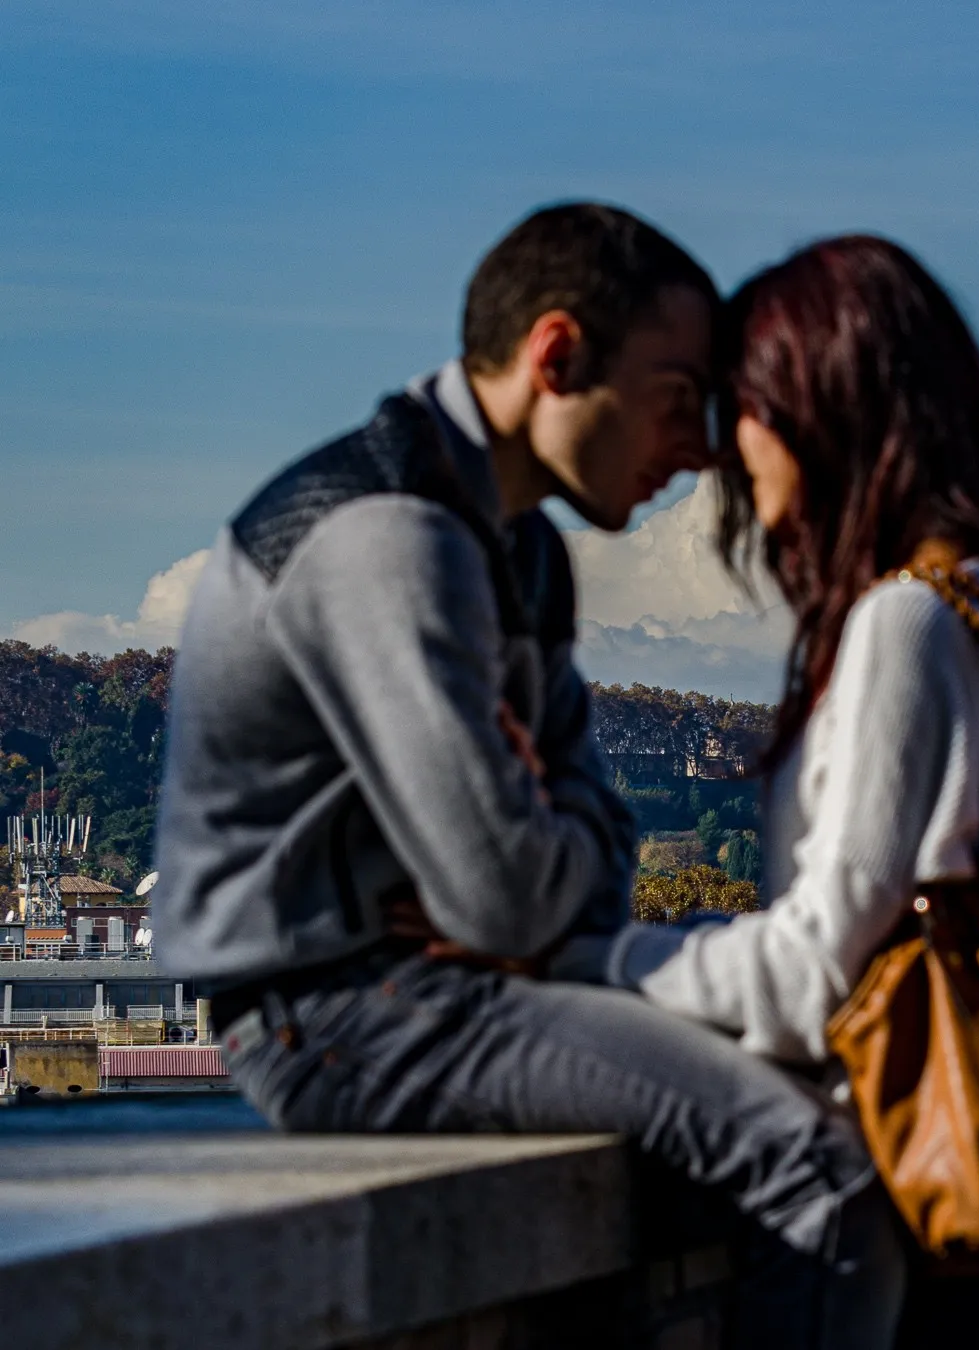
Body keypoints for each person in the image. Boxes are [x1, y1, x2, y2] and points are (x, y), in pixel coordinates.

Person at [151, 203, 902, 1346]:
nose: (701, 445)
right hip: (344, 1015)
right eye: (674, 394)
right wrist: (523, 854)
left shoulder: (515, 548)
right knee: (818, 1169)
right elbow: (506, 891)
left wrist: (528, 845)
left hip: (426, 992)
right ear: (557, 357)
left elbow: (588, 864)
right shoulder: (388, 539)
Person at [601, 235, 979, 1347]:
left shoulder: (904, 623)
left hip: (918, 1205)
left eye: (745, 408)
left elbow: (823, 967)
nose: (726, 449)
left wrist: (593, 964)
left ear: (814, 408)